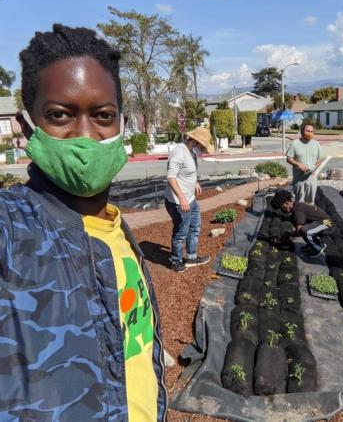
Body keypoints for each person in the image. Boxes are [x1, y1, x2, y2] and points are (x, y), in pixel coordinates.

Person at [0, 25, 167, 421]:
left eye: (103, 116)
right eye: (60, 115)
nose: (86, 137)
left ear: (122, 125)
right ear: (27, 128)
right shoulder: (14, 228)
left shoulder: (117, 231)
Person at [164, 127, 214, 272]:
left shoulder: (190, 152)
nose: (203, 149)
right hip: (179, 202)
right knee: (181, 232)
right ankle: (176, 260)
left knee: (195, 227)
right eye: (202, 146)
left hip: (190, 199)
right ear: (194, 141)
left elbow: (186, 172)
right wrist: (182, 199)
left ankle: (191, 257)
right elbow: (171, 177)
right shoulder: (179, 152)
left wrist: (195, 182)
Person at [272, 189, 331, 258]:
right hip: (319, 223)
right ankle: (312, 244)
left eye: (281, 207)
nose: (281, 210)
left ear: (287, 203)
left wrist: (288, 235)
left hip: (327, 223)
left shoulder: (298, 211)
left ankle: (318, 247)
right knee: (301, 228)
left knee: (304, 230)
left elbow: (299, 231)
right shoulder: (295, 209)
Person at [286, 123, 325, 204]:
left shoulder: (316, 144)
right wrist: (298, 164)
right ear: (302, 131)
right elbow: (289, 158)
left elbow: (321, 159)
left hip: (312, 179)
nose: (310, 133)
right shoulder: (294, 143)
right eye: (307, 131)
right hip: (299, 180)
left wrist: (314, 167)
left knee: (310, 202)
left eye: (312, 131)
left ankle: (309, 216)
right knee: (300, 202)